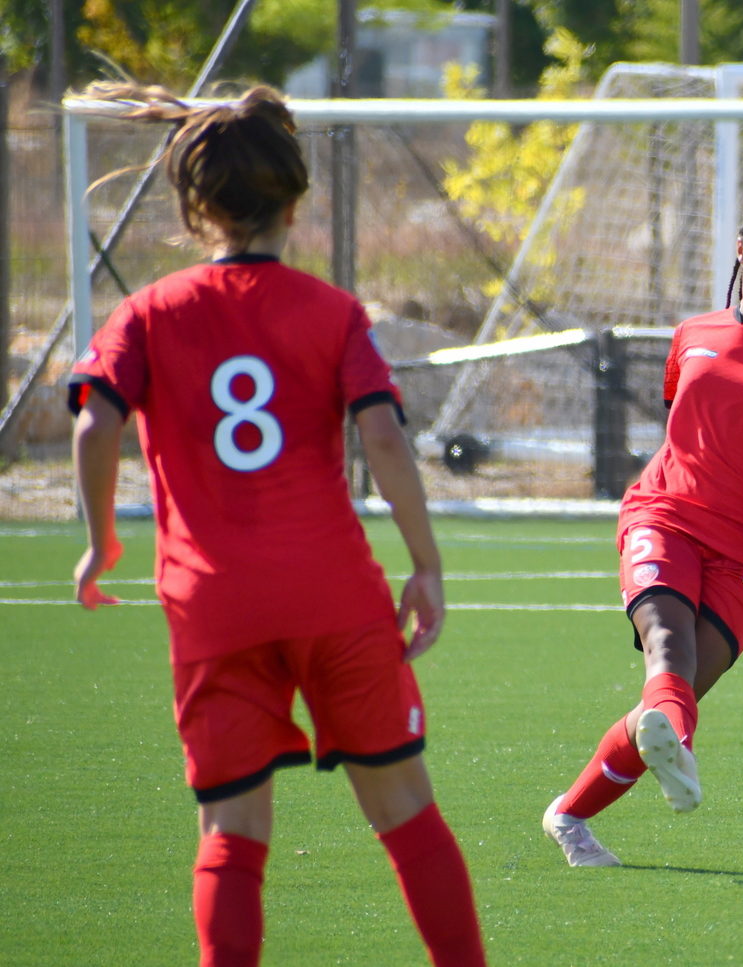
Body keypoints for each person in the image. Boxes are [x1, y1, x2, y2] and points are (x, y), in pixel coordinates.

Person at [67, 84, 485, 966]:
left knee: (232, 827)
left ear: (194, 210)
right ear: (296, 202)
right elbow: (384, 436)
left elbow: (95, 424)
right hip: (333, 594)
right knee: (406, 809)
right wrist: (426, 563)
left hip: (213, 603)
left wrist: (101, 540)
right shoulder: (332, 312)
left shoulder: (147, 312)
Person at [543, 192, 743, 866]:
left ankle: (569, 815)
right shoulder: (692, 335)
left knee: (669, 702)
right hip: (664, 516)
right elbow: (683, 427)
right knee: (667, 654)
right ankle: (679, 751)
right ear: (742, 250)